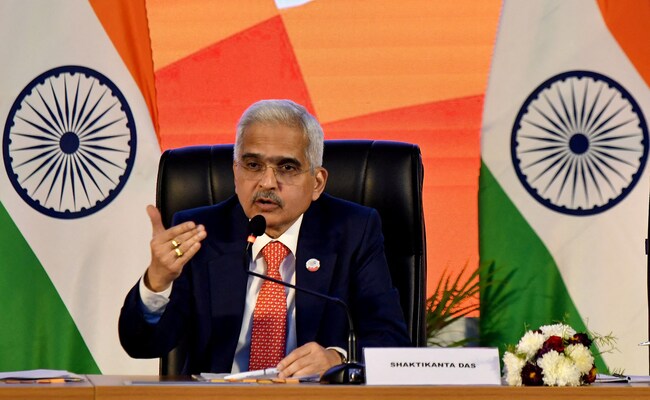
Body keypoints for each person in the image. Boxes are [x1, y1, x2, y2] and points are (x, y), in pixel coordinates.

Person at [118, 99, 410, 378]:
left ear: (317, 182)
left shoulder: (353, 231)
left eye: (287, 168)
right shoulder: (201, 234)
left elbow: (391, 341)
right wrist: (157, 282)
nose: (267, 183)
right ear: (235, 172)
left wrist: (337, 360)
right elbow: (141, 344)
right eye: (253, 165)